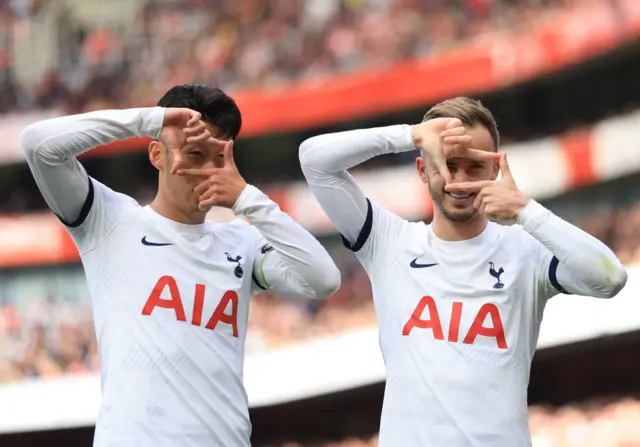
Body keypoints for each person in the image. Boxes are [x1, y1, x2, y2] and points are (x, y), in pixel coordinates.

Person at [21, 84, 341, 447]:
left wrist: (249, 199)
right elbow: (37, 145)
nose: (207, 170)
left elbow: (324, 279)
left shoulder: (241, 242)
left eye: (217, 156)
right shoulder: (108, 222)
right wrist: (150, 121)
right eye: (194, 153)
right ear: (157, 154)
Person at [299, 96, 627, 447]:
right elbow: (314, 160)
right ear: (423, 170)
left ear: (494, 171)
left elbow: (609, 279)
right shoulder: (388, 242)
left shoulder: (525, 251)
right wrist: (410, 135)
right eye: (447, 164)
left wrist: (527, 211)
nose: (459, 180)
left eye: (474, 166)